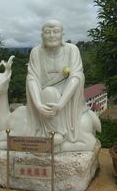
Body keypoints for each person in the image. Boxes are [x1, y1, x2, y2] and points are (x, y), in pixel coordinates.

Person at [26, 20, 92, 148]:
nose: (51, 35)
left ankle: (58, 133)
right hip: (43, 100)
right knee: (48, 92)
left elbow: (76, 76)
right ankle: (50, 133)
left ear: (63, 35)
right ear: (42, 36)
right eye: (47, 32)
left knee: (59, 87)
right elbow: (32, 78)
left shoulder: (72, 50)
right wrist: (38, 104)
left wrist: (61, 104)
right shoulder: (36, 52)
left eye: (55, 31)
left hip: (67, 99)